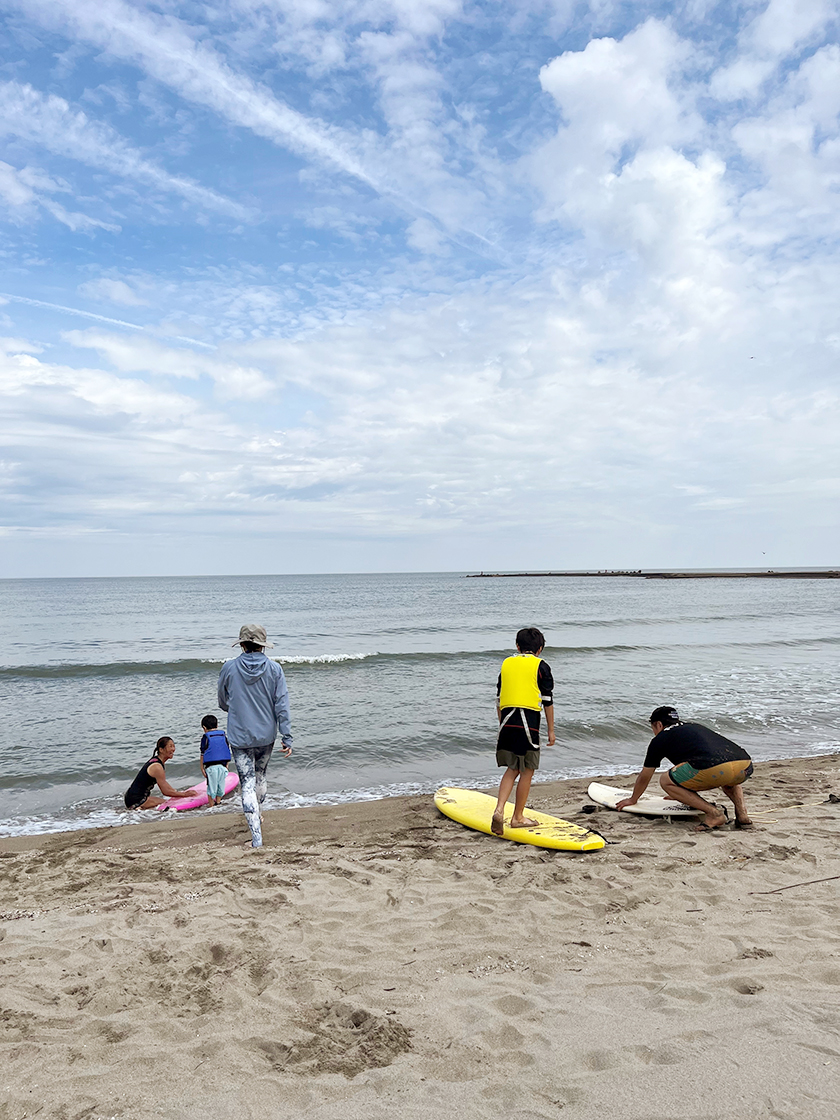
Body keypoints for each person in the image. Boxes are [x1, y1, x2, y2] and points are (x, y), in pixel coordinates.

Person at [616, 706, 754, 831]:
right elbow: (697, 761)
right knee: (727, 776)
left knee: (665, 780)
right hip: (744, 765)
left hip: (716, 768)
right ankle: (742, 816)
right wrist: (681, 793)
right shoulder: (694, 726)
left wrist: (633, 799)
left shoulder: (661, 738)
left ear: (658, 724)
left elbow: (645, 775)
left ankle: (714, 814)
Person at [217, 624, 293, 848]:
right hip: (266, 734)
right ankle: (257, 816)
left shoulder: (229, 668)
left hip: (239, 735)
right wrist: (286, 736)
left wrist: (235, 706)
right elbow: (282, 706)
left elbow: (222, 701)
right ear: (262, 646)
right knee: (260, 776)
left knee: (246, 782)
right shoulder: (275, 669)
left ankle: (256, 836)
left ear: (241, 644)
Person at [491, 627, 555, 835]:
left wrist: (502, 726)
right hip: (528, 724)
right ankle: (517, 817)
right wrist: (551, 731)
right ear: (540, 649)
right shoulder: (541, 666)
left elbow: (499, 700)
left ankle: (499, 810)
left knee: (512, 768)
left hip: (507, 724)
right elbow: (547, 701)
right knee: (527, 770)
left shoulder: (506, 664)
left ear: (517, 646)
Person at [123, 736, 197, 810]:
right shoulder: (157, 766)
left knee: (165, 803)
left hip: (131, 797)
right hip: (136, 799)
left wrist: (176, 792)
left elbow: (164, 783)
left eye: (174, 746)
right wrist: (184, 794)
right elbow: (165, 791)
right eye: (170, 746)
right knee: (166, 805)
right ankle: (137, 807)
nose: (173, 749)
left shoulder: (157, 761)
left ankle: (139, 808)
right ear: (161, 749)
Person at [199, 714, 232, 806]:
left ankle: (211, 805)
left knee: (211, 787)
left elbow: (202, 753)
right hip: (222, 766)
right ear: (217, 725)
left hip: (210, 767)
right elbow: (226, 750)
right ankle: (218, 802)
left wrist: (202, 768)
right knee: (221, 786)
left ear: (204, 728)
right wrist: (227, 765)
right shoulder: (223, 736)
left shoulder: (205, 738)